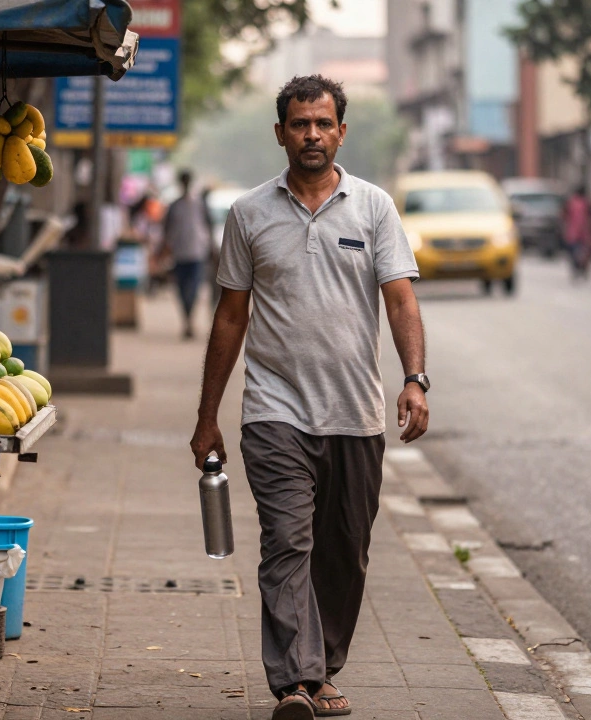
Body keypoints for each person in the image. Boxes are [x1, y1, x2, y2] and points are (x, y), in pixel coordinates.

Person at [190, 75, 428, 720]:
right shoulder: (249, 214)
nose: (312, 135)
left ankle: (322, 671)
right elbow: (230, 317)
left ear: (341, 132)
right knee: (286, 542)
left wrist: (414, 377)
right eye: (300, 124)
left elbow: (400, 298)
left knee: (344, 552)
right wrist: (208, 415)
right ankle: (297, 680)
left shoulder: (374, 207)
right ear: (281, 133)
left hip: (354, 412)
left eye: (323, 124)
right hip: (275, 410)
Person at [163, 170, 213, 338]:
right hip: (179, 254)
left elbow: (208, 226)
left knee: (193, 288)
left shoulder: (199, 204)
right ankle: (187, 320)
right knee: (181, 289)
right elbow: (167, 230)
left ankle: (189, 320)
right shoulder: (174, 206)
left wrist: (211, 247)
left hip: (197, 253)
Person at [562, 185, 591, 280]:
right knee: (584, 252)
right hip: (585, 233)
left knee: (574, 253)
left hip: (573, 233)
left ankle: (577, 268)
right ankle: (582, 268)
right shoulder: (587, 203)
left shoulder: (570, 203)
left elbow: (564, 217)